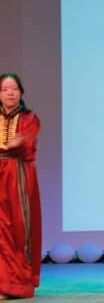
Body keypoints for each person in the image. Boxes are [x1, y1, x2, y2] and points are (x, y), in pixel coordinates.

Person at [0, 74, 42, 300]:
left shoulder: (29, 118)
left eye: (14, 88)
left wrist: (20, 141)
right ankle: (3, 283)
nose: (10, 93)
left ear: (21, 92)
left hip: (18, 176)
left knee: (18, 230)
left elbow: (28, 142)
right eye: (5, 89)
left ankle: (17, 284)